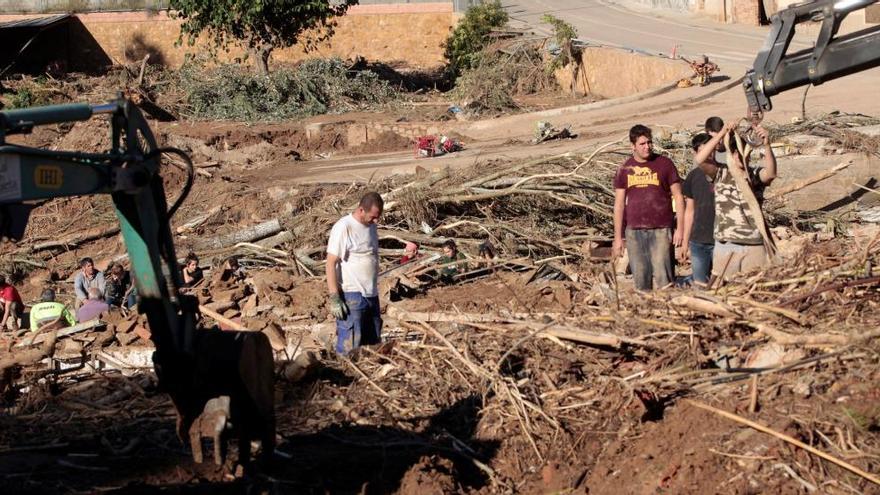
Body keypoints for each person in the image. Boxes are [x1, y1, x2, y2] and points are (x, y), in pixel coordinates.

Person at [695, 120, 778, 280]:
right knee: (722, 291)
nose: (742, 157)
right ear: (732, 154)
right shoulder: (721, 173)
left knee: (754, 291)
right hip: (727, 244)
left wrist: (767, 146)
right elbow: (700, 160)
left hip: (754, 244)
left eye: (746, 153)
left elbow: (771, 174)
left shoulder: (755, 176)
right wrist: (722, 133)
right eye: (738, 153)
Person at [612, 124, 684, 290]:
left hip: (661, 230)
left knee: (663, 277)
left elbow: (678, 197)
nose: (647, 147)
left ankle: (668, 309)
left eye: (649, 142)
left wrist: (679, 228)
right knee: (641, 278)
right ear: (633, 146)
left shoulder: (664, 164)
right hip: (634, 232)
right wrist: (618, 237)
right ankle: (645, 308)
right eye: (642, 144)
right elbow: (619, 204)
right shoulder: (625, 169)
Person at [325, 192, 384, 355]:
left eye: (378, 217)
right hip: (352, 295)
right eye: (373, 216)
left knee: (372, 346)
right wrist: (334, 297)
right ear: (361, 210)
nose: (376, 221)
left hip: (371, 293)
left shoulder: (371, 226)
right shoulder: (344, 227)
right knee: (350, 345)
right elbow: (330, 262)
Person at [681, 133, 716, 285]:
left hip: (721, 240)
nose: (708, 155)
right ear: (695, 153)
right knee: (700, 284)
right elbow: (689, 211)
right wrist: (685, 242)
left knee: (721, 284)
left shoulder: (723, 173)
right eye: (703, 151)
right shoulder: (693, 177)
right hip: (698, 242)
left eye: (711, 149)